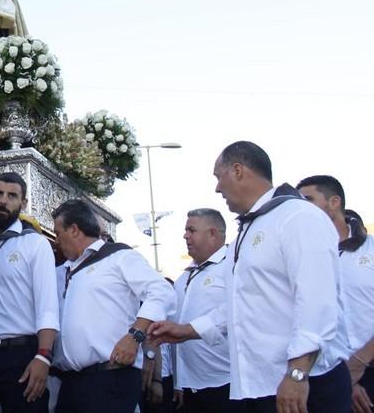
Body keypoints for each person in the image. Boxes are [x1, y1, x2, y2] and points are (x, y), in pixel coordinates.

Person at [150, 141, 351, 412]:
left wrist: (297, 373)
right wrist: (188, 330)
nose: (217, 188)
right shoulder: (248, 230)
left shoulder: (298, 217)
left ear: (238, 170)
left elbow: (317, 302)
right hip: (262, 386)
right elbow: (241, 303)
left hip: (304, 387)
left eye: (218, 177)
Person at [51, 199, 175, 413]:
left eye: (58, 232)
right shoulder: (63, 271)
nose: (56, 240)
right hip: (71, 384)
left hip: (109, 379)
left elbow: (162, 292)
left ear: (73, 230)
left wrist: (135, 336)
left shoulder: (119, 257)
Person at [0, 172, 58, 412]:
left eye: (12, 196)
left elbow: (48, 306)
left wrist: (43, 356)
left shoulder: (34, 243)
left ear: (22, 204)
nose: (3, 201)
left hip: (20, 355)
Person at [298, 175, 374, 413]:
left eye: (308, 199)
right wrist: (344, 376)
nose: (301, 208)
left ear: (334, 202)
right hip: (323, 377)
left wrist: (358, 364)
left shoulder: (371, 250)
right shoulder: (302, 255)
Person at [168, 208, 240, 413]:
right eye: (185, 230)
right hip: (191, 389)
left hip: (226, 384)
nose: (185, 235)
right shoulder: (183, 279)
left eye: (192, 230)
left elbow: (235, 310)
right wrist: (180, 382)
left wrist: (191, 330)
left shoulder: (233, 268)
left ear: (213, 233)